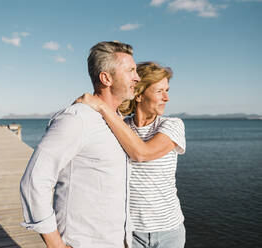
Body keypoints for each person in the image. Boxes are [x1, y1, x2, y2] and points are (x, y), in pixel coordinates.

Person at [19, 41, 140, 248]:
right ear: (106, 78)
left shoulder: (118, 122)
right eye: (130, 71)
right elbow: (34, 181)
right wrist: (55, 244)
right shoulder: (77, 119)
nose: (137, 77)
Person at [76, 61, 186, 248]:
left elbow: (142, 153)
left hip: (169, 232)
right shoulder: (121, 125)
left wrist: (102, 108)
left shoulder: (172, 125)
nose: (166, 98)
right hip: (130, 232)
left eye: (167, 90)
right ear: (139, 95)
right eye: (159, 91)